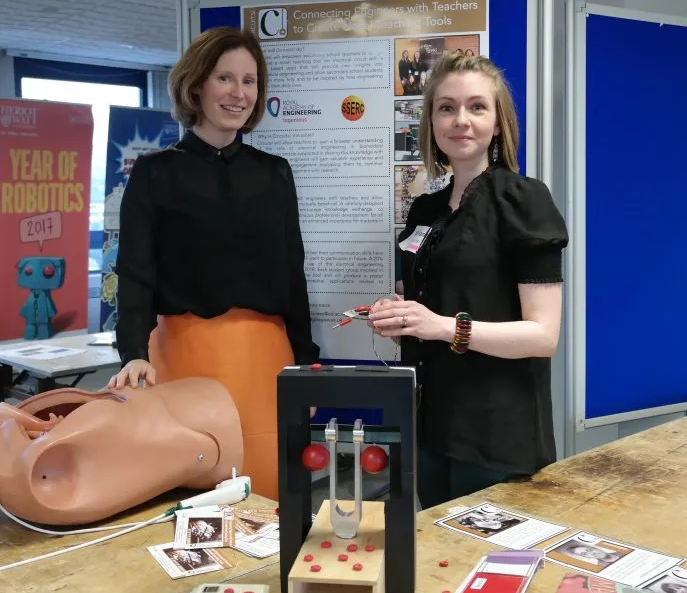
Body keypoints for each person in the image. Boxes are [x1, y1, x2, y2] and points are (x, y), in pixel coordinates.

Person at [108, 26, 319, 500]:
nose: (239, 93)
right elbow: (136, 272)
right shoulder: (155, 173)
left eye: (249, 81)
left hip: (267, 359)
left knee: (270, 497)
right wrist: (133, 353)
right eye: (225, 78)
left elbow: (292, 272)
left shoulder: (274, 172)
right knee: (192, 498)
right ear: (197, 84)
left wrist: (306, 360)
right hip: (184, 356)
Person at [368, 52, 568, 509]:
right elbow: (439, 295)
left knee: (492, 569)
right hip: (431, 424)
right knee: (439, 564)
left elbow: (543, 335)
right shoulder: (426, 210)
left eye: (477, 107)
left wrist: (439, 326)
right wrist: (398, 313)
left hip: (497, 433)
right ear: (432, 122)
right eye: (447, 107)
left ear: (498, 123)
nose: (461, 120)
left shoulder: (523, 201)